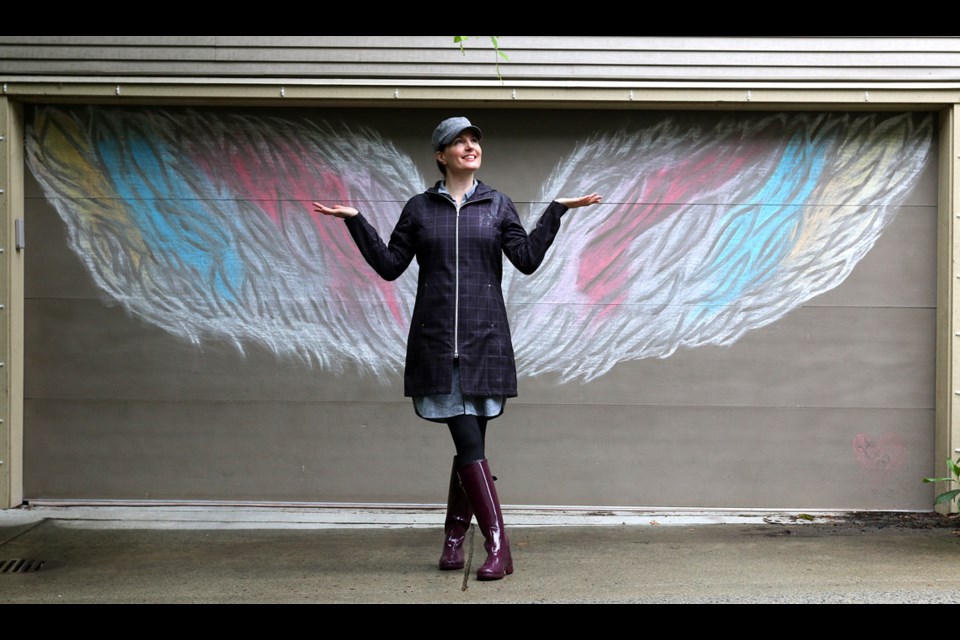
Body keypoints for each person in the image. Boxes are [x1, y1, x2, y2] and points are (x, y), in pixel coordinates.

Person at [313, 116, 601, 581]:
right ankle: (497, 547)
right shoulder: (419, 209)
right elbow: (390, 266)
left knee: (474, 445)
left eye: (474, 141)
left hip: (485, 342)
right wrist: (356, 222)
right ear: (440, 155)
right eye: (458, 142)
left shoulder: (497, 205)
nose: (469, 147)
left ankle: (452, 540)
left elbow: (526, 260)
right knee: (468, 440)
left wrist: (556, 211)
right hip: (437, 344)